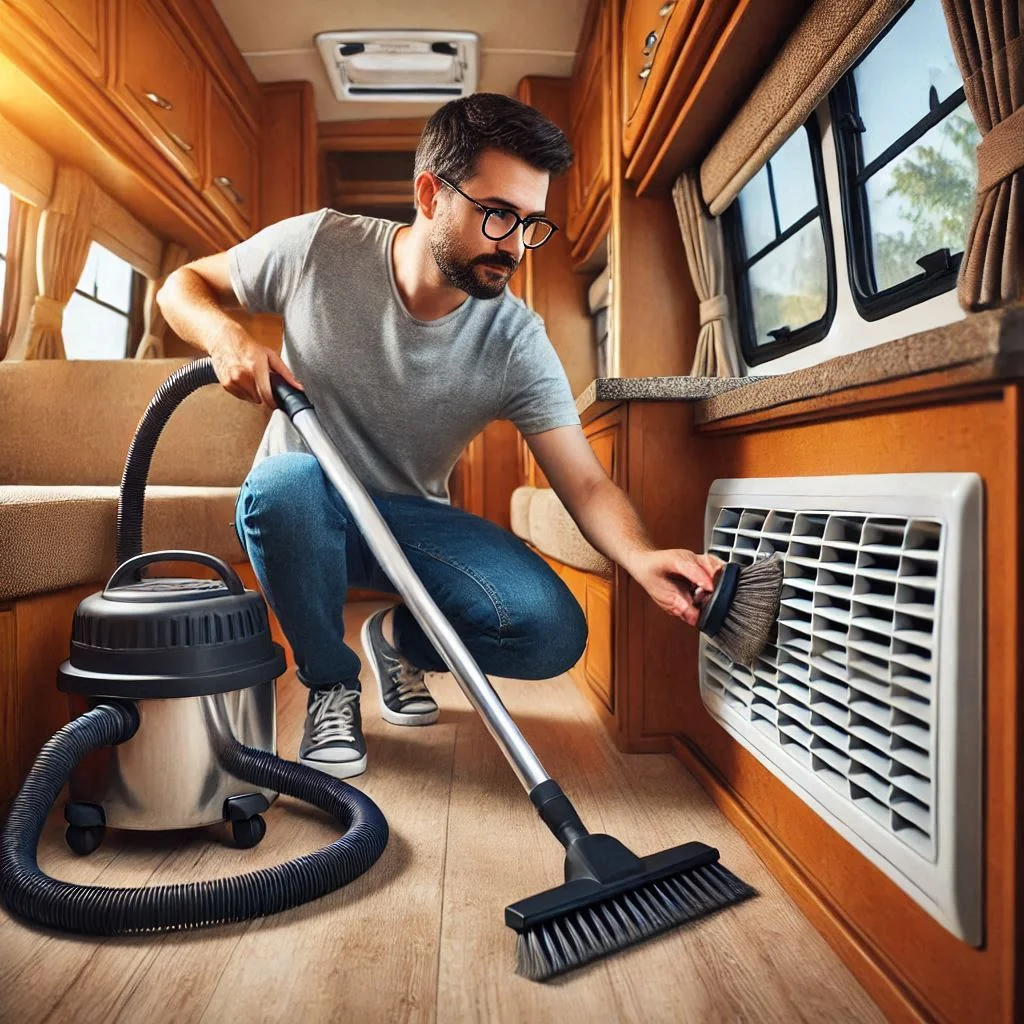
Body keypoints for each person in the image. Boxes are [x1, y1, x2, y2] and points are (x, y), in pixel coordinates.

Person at [156, 92, 722, 780]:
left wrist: (640, 559)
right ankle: (332, 683)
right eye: (498, 215)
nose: (516, 247)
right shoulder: (318, 246)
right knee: (282, 486)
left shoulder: (516, 340)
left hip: (411, 522)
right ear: (430, 193)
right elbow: (179, 286)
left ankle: (396, 643)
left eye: (531, 224)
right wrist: (224, 336)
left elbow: (585, 481)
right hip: (303, 502)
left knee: (551, 631)